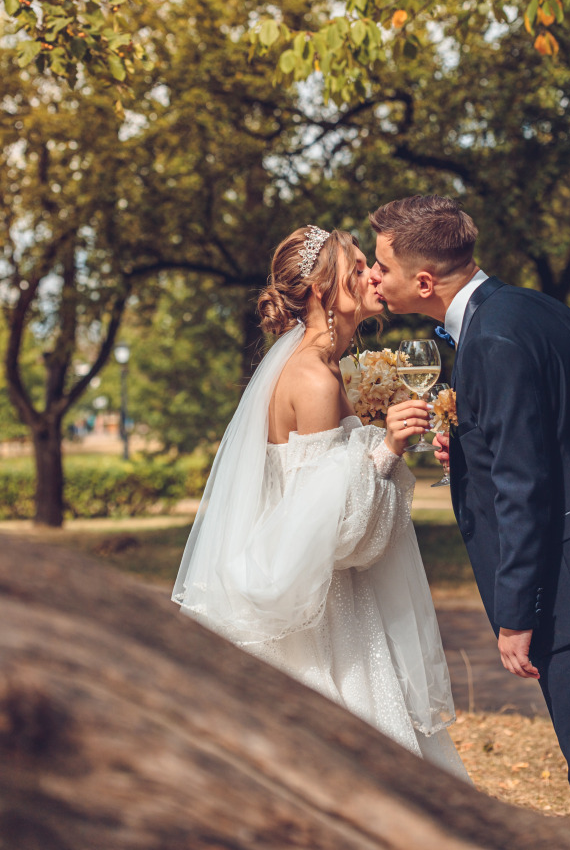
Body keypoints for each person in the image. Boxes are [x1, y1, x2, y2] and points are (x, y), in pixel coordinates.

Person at [368, 194, 570, 843]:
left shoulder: (492, 338)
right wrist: (465, 445)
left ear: (423, 281)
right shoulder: (531, 308)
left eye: (381, 267)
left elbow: (525, 487)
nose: (373, 278)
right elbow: (548, 438)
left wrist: (516, 615)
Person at [172, 225, 468, 778]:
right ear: (318, 289)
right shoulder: (313, 379)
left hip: (331, 597)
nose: (373, 275)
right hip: (327, 614)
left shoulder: (325, 365)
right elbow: (332, 532)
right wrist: (387, 449)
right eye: (356, 268)